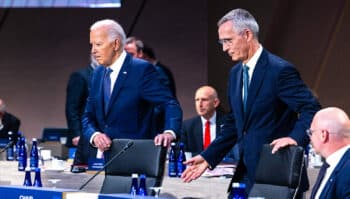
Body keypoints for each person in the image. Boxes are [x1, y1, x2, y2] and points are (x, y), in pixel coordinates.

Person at [181, 8, 321, 197]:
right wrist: (208, 156)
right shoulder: (236, 73)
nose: (224, 48)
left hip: (276, 175)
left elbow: (311, 108)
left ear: (247, 35)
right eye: (221, 42)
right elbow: (234, 123)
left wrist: (295, 138)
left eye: (228, 41)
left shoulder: (279, 71)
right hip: (245, 176)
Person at [82, 19, 182, 157]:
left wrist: (169, 132)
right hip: (105, 158)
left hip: (137, 156)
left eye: (98, 44)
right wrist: (95, 135)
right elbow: (88, 116)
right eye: (92, 45)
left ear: (116, 44)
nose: (93, 51)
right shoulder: (98, 73)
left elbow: (170, 104)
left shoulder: (141, 69)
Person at [180, 85, 237, 163]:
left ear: (215, 103)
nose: (200, 104)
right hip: (196, 167)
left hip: (223, 167)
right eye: (197, 100)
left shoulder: (228, 124)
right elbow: (181, 153)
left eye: (204, 100)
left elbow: (233, 154)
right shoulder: (187, 126)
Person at [308, 107, 350, 199]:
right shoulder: (330, 164)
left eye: (311, 132)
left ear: (323, 135)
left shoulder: (347, 170)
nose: (310, 138)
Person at [65, 55, 98, 166]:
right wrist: (76, 133)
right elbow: (72, 107)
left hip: (97, 134)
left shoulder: (105, 76)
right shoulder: (80, 76)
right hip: (81, 134)